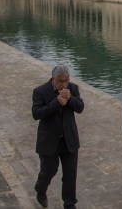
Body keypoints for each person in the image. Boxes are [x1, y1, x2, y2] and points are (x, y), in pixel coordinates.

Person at [32, 65, 84, 209]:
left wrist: (70, 99)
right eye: (60, 81)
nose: (63, 84)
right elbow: (36, 113)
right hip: (49, 140)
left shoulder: (72, 88)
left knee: (70, 173)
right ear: (53, 79)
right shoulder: (40, 91)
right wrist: (56, 103)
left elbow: (80, 107)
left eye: (66, 81)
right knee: (49, 170)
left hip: (69, 140)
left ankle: (69, 203)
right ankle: (40, 189)